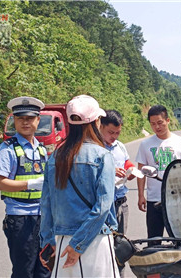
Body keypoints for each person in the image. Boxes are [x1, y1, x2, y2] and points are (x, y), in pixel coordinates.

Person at [39, 95, 119, 277]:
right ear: (96, 122)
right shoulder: (102, 156)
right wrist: (78, 245)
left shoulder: (54, 158)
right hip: (94, 240)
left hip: (62, 242)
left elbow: (46, 204)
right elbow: (102, 208)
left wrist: (47, 241)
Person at [0, 96, 51, 278]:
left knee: (45, 269)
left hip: (43, 217)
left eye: (30, 118)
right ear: (14, 121)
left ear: (38, 120)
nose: (25, 122)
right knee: (23, 271)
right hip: (20, 218)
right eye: (20, 118)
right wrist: (30, 184)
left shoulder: (41, 149)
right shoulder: (7, 149)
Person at [136, 105, 181, 243]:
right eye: (153, 124)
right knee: (153, 239)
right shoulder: (145, 144)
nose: (157, 127)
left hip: (177, 199)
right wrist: (141, 195)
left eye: (160, 122)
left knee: (180, 240)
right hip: (154, 199)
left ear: (168, 120)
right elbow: (141, 172)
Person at [100, 109, 135, 276]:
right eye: (110, 132)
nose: (114, 136)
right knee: (101, 246)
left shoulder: (119, 146)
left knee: (120, 246)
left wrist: (132, 170)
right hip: (102, 206)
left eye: (117, 133)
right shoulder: (94, 147)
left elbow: (127, 162)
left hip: (121, 202)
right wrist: (110, 170)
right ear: (100, 127)